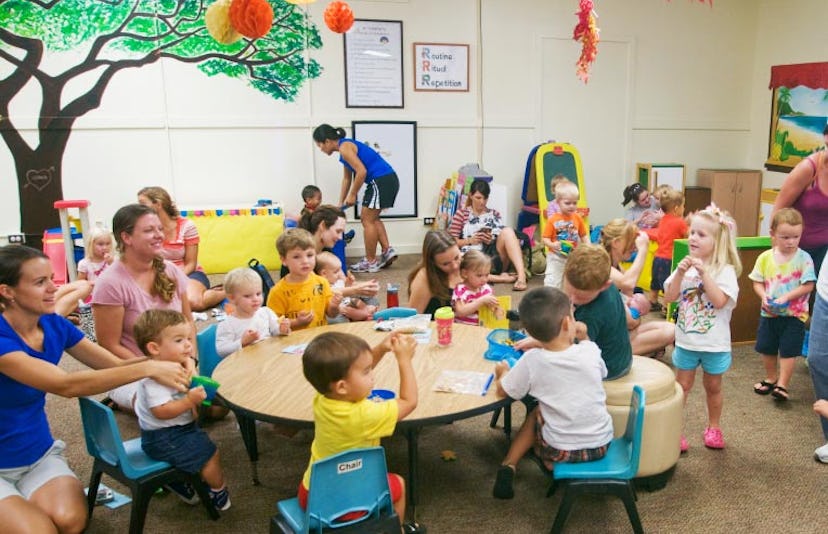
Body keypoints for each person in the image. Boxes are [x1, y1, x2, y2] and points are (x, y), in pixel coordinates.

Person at [0, 245, 189, 534]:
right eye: (40, 283)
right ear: (7, 291)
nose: (53, 288)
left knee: (71, 522)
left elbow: (112, 366)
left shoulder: (52, 324)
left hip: (36, 452)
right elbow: (66, 385)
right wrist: (150, 368)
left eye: (52, 278)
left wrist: (167, 358)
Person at [491, 287, 613, 500]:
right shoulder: (590, 351)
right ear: (567, 324)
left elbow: (504, 392)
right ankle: (542, 456)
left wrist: (502, 373)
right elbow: (601, 372)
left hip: (560, 450)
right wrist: (583, 337)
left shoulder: (533, 360)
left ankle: (509, 464)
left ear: (530, 332)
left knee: (537, 412)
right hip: (601, 444)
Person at [299, 330, 424, 533]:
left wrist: (382, 349)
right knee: (399, 484)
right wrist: (404, 360)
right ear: (342, 386)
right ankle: (397, 529)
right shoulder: (365, 415)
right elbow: (409, 401)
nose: (372, 375)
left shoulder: (323, 398)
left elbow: (348, 371)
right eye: (367, 372)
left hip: (311, 495)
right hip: (347, 505)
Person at [92, 203, 192, 412]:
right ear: (126, 238)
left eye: (159, 229)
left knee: (215, 406)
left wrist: (189, 360)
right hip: (132, 370)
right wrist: (154, 368)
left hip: (176, 361)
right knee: (169, 410)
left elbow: (188, 321)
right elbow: (109, 345)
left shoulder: (171, 270)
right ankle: (121, 399)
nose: (158, 235)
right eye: (149, 230)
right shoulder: (110, 283)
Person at [133, 309, 231, 511]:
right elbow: (161, 411)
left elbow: (189, 379)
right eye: (179, 340)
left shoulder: (175, 364)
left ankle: (179, 482)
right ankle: (218, 492)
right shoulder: (154, 379)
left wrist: (189, 365)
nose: (188, 344)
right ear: (154, 348)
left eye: (188, 338)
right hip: (164, 437)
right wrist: (189, 401)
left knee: (201, 443)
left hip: (176, 429)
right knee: (210, 454)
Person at [663, 205, 740, 452]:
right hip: (686, 341)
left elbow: (719, 301)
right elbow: (669, 297)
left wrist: (704, 274)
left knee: (713, 386)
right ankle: (674, 430)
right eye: (692, 232)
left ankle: (714, 427)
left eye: (701, 234)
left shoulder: (725, 271)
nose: (693, 237)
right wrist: (680, 274)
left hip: (714, 344)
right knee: (682, 386)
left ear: (717, 241)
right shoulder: (683, 267)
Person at [515, 245, 632, 380]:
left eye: (582, 297)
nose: (573, 299)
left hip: (609, 369)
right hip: (620, 357)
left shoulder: (592, 315)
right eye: (570, 292)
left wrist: (539, 342)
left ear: (605, 285)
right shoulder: (599, 279)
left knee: (542, 370)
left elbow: (570, 350)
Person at [748, 208, 815, 401]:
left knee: (789, 349)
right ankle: (771, 378)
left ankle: (783, 385)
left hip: (794, 315)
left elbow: (809, 285)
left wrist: (787, 297)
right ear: (773, 235)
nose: (791, 242)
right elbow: (757, 282)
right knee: (767, 347)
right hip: (769, 313)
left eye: (796, 237)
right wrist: (763, 296)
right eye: (785, 237)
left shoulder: (804, 259)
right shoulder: (765, 258)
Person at [312, 124, 399, 273]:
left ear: (327, 141)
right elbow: (347, 179)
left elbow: (361, 171)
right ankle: (386, 251)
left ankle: (370, 261)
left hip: (380, 180)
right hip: (386, 179)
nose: (320, 149)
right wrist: (340, 203)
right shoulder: (344, 150)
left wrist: (353, 195)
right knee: (373, 218)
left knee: (367, 220)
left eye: (320, 145)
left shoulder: (345, 147)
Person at [137, 186, 225, 312]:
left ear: (158, 204)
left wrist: (173, 279)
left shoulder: (186, 226)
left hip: (188, 273)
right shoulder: (145, 228)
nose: (139, 208)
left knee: (194, 303)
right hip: (159, 275)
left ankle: (227, 291)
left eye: (142, 204)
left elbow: (191, 263)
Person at [599, 219, 675, 358]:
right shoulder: (601, 264)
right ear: (616, 243)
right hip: (607, 341)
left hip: (620, 331)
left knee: (671, 329)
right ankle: (639, 351)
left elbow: (628, 291)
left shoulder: (616, 265)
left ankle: (646, 349)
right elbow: (627, 284)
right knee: (666, 333)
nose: (634, 246)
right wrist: (643, 250)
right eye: (631, 242)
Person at [448, 179, 529, 291]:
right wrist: (470, 240)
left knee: (508, 231)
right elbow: (451, 243)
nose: (482, 202)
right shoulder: (461, 214)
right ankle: (500, 279)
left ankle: (521, 276)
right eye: (478, 198)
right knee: (456, 265)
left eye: (485, 198)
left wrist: (491, 239)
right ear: (471, 196)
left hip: (494, 258)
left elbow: (502, 237)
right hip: (471, 258)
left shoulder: (494, 214)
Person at [772, 124, 828, 277]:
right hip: (796, 252)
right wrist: (777, 259)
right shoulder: (808, 168)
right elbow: (778, 212)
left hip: (824, 255)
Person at [295, 205, 379, 300]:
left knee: (370, 300)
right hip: (307, 305)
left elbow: (342, 282)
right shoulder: (300, 256)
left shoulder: (326, 251)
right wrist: (355, 290)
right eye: (338, 231)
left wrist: (364, 286)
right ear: (322, 226)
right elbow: (313, 292)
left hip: (328, 299)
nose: (340, 238)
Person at [266, 228, 341, 331]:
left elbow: (331, 314)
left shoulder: (322, 282)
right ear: (283, 260)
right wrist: (297, 322)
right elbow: (273, 325)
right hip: (292, 343)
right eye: (297, 257)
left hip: (319, 339)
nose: (305, 261)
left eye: (310, 255)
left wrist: (334, 305)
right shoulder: (277, 292)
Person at [215, 267, 290, 358]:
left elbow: (276, 332)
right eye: (247, 296)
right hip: (242, 365)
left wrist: (282, 329)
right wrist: (242, 342)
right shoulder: (227, 324)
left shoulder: (266, 312)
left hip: (267, 359)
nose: (255, 299)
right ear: (232, 298)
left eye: (258, 294)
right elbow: (221, 350)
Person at [644, 188, 688, 311]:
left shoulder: (663, 220)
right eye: (683, 206)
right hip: (670, 259)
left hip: (658, 257)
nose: (684, 209)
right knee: (668, 285)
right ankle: (666, 307)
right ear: (676, 208)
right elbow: (687, 236)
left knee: (655, 283)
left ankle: (652, 301)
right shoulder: (680, 222)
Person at [542, 181, 589, 289]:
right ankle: (550, 299)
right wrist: (553, 245)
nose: (572, 206)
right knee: (553, 282)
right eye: (567, 203)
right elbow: (545, 238)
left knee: (570, 283)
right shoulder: (553, 219)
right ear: (558, 202)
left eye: (575, 203)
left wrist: (588, 246)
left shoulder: (577, 218)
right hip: (555, 257)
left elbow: (583, 235)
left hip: (572, 257)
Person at [408, 230, 463, 317]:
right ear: (433, 263)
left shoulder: (465, 263)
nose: (455, 266)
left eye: (456, 257)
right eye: (446, 264)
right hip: (437, 327)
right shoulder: (425, 277)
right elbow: (413, 318)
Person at [314, 251, 377, 323]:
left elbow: (346, 289)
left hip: (347, 302)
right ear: (324, 273)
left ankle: (366, 310)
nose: (339, 274)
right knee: (350, 311)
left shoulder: (336, 280)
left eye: (339, 270)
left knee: (359, 300)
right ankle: (365, 315)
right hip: (340, 308)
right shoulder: (324, 285)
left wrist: (349, 283)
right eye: (336, 272)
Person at [452, 250, 500, 326]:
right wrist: (481, 301)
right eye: (479, 275)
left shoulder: (486, 289)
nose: (484, 279)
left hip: (483, 326)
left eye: (487, 275)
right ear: (465, 273)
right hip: (464, 329)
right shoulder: (461, 290)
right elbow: (460, 312)